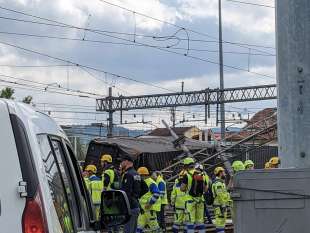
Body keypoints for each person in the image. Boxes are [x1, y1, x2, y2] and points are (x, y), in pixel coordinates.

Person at [180, 158, 208, 233]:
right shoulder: (202, 174)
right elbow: (205, 189)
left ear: (186, 166)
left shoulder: (187, 175)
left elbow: (182, 189)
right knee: (200, 221)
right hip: (200, 201)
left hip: (190, 201)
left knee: (190, 221)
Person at [120, 155, 141, 233]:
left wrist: (124, 208)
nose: (121, 163)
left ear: (127, 161)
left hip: (130, 207)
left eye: (122, 161)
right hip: (136, 205)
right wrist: (135, 197)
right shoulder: (136, 174)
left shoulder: (128, 174)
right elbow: (145, 188)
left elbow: (126, 193)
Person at [137, 167, 161, 233]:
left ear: (143, 175)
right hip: (143, 210)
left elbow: (157, 194)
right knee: (139, 226)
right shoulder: (143, 182)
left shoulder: (150, 183)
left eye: (139, 175)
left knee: (155, 227)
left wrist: (150, 203)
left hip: (150, 209)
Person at [212, 167, 231, 233]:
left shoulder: (221, 183)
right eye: (224, 172)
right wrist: (223, 205)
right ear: (220, 173)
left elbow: (224, 194)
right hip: (220, 206)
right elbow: (220, 196)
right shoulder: (218, 184)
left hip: (221, 206)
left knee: (221, 224)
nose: (225, 174)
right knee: (220, 224)